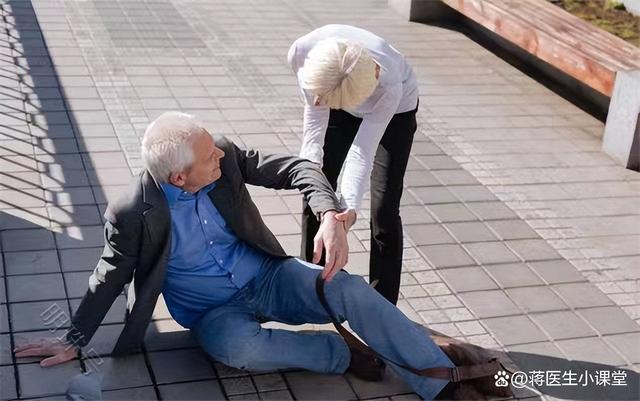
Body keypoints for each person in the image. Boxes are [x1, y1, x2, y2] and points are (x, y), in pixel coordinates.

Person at [14, 112, 454, 400]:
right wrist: (73, 338)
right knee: (237, 348)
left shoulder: (222, 157)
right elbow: (108, 274)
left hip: (266, 275)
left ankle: (439, 378)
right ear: (179, 176)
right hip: (211, 310)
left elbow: (299, 168)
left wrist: (330, 216)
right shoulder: (132, 212)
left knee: (345, 287)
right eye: (211, 157)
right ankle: (339, 354)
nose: (222, 156)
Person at [289, 24, 419, 305]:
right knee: (318, 185)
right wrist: (323, 203)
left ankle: (382, 303)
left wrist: (347, 212)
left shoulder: (390, 83)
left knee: (384, 209)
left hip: (395, 112)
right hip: (337, 91)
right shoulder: (303, 54)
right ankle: (313, 284)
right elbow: (313, 134)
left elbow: (362, 153)